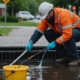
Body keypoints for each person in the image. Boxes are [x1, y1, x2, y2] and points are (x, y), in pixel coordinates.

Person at [25, 2, 80, 66]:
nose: (45, 18)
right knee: (48, 33)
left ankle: (75, 59)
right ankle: (64, 56)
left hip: (77, 30)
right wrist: (31, 41)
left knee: (67, 37)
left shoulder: (63, 15)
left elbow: (68, 34)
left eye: (45, 16)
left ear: (51, 12)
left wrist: (55, 42)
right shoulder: (47, 18)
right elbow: (39, 31)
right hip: (66, 32)